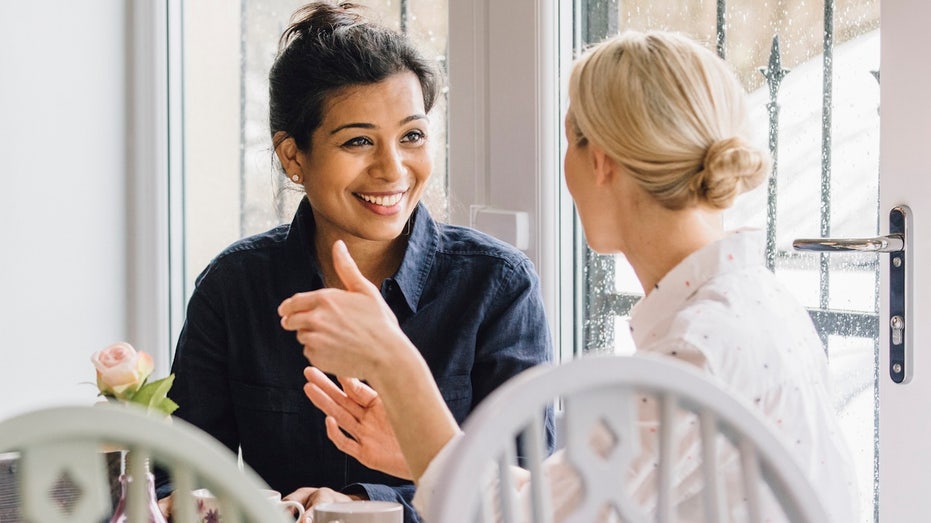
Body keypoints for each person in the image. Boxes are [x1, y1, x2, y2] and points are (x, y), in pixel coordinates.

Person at [280, 30, 859, 521]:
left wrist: (392, 358)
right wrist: (414, 448)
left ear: (599, 159)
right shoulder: (746, 307)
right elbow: (569, 500)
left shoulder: (697, 351)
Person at [156, 2, 554, 521]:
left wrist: (369, 505)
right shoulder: (235, 286)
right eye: (359, 141)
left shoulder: (497, 286)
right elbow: (176, 471)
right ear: (293, 157)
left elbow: (531, 489)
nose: (393, 169)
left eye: (411, 136)